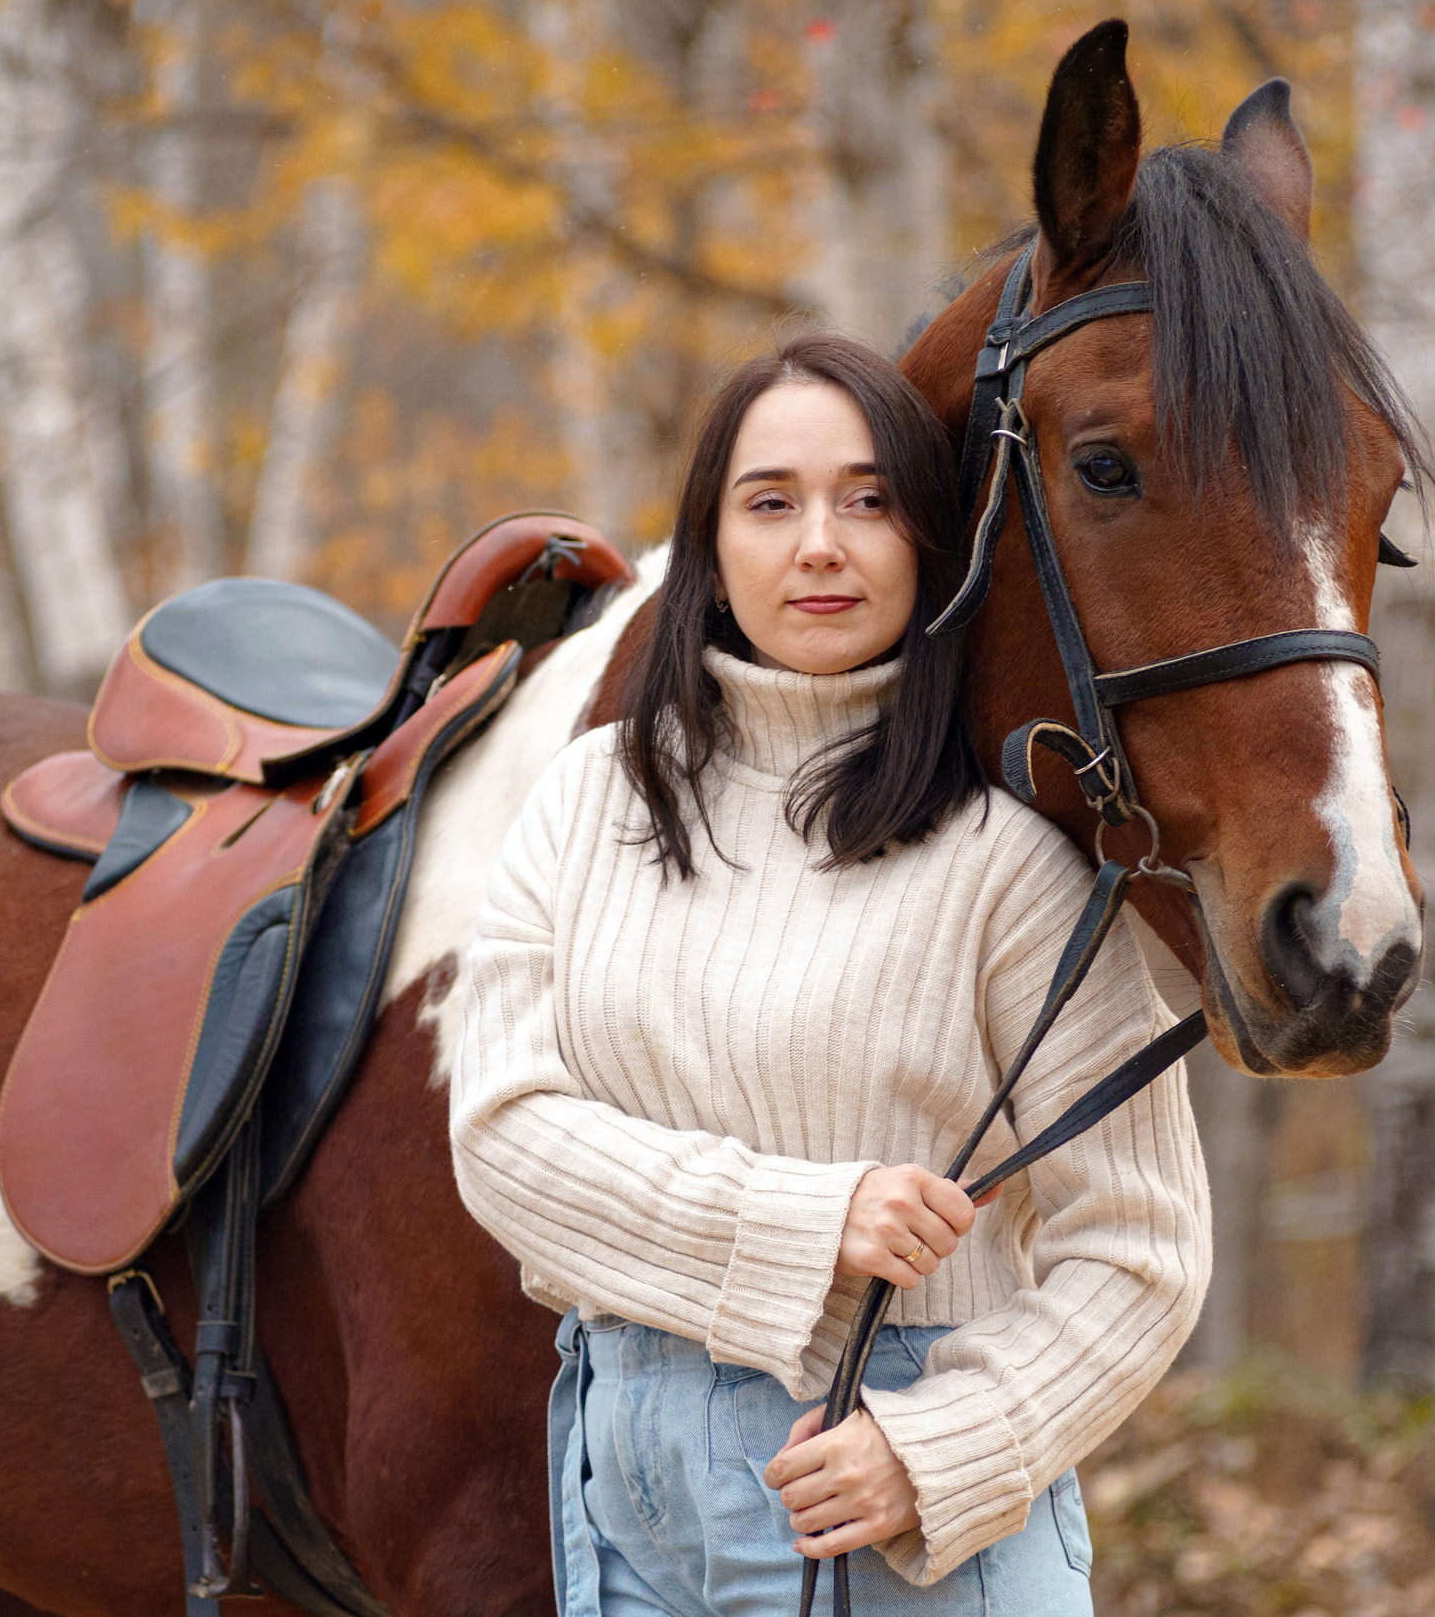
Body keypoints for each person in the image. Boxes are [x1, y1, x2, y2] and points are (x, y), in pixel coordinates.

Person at [448, 332, 1210, 1617]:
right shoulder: (589, 797)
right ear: (711, 543)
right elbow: (502, 1139)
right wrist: (807, 1222)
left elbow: (1142, 1246)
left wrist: (948, 1446)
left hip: (885, 1488)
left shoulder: (1004, 857)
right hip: (619, 1485)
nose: (820, 543)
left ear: (929, 540)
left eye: (869, 501)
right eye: (771, 502)